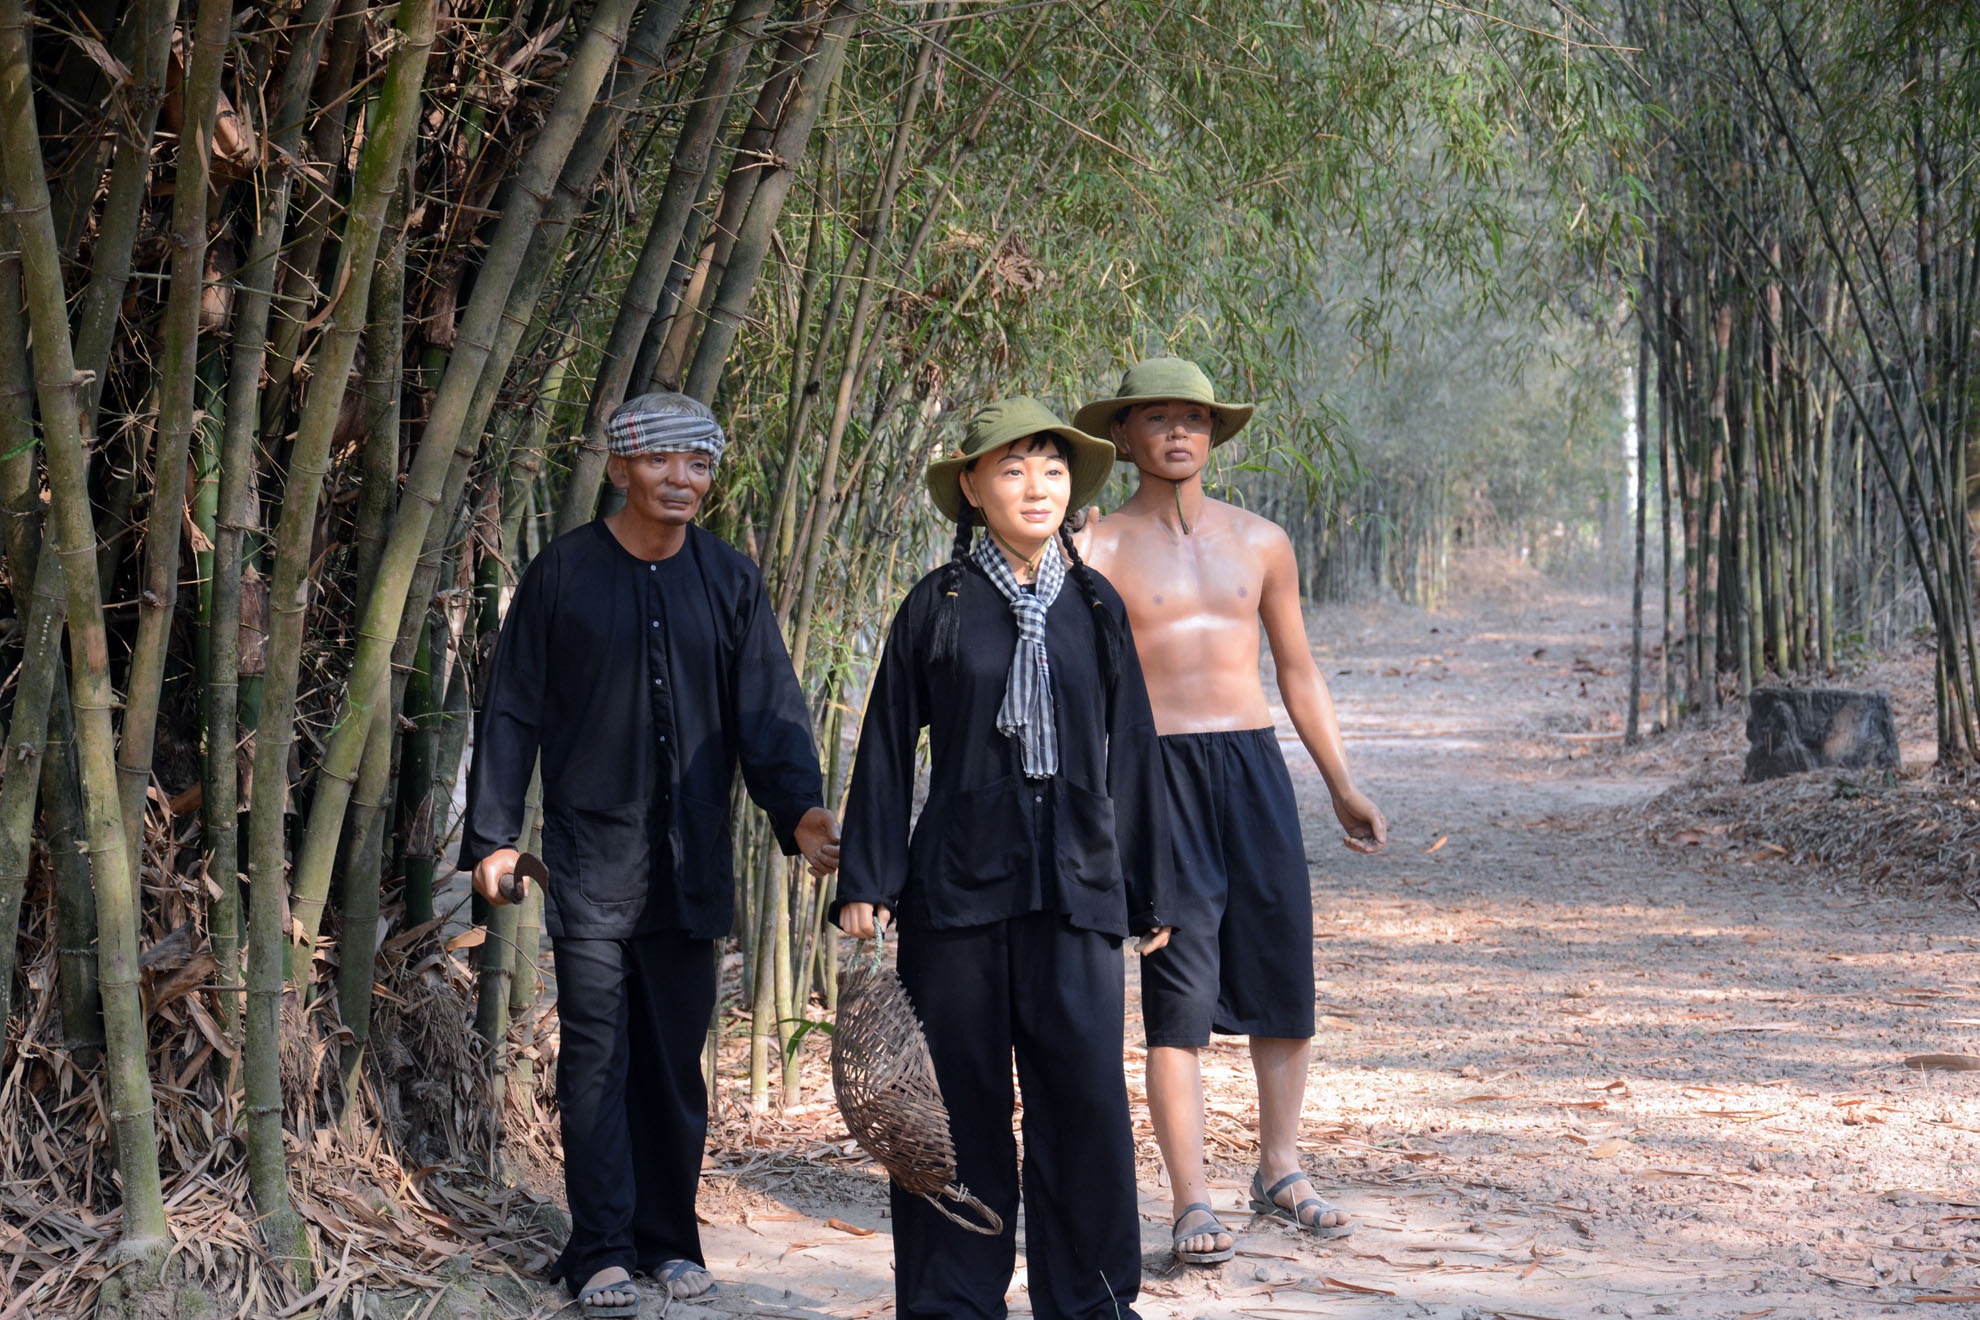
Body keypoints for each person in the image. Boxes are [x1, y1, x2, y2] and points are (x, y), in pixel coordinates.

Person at [460, 391, 840, 1317]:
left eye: (700, 464)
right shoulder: (563, 576)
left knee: (673, 1057)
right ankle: (599, 1247)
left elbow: (769, 712)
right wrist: (495, 837)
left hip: (691, 862)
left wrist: (803, 815)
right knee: (595, 1051)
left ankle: (672, 1239)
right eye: (663, 462)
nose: (683, 481)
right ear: (620, 467)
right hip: (591, 859)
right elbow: (512, 708)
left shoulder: (729, 581)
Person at [833, 397, 1174, 1320]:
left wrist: (1150, 883)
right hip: (956, 894)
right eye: (1015, 469)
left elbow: (1132, 748)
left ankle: (1094, 1300)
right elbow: (888, 742)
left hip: (1076, 888)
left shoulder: (1097, 606)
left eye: (1054, 469)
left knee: (1086, 1104)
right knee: (956, 1109)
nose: (1037, 487)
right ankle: (951, 1300)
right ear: (974, 489)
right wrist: (868, 878)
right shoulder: (936, 607)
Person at [1074, 357, 1387, 1267]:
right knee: (1177, 989)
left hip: (1253, 766)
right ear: (1124, 436)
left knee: (1282, 971)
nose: (1179, 433)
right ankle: (1190, 1196)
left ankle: (1281, 1170)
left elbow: (1296, 670)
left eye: (1196, 420)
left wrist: (1339, 780)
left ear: (1214, 435)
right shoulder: (1095, 548)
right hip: (1155, 777)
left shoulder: (1262, 541)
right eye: (1159, 418)